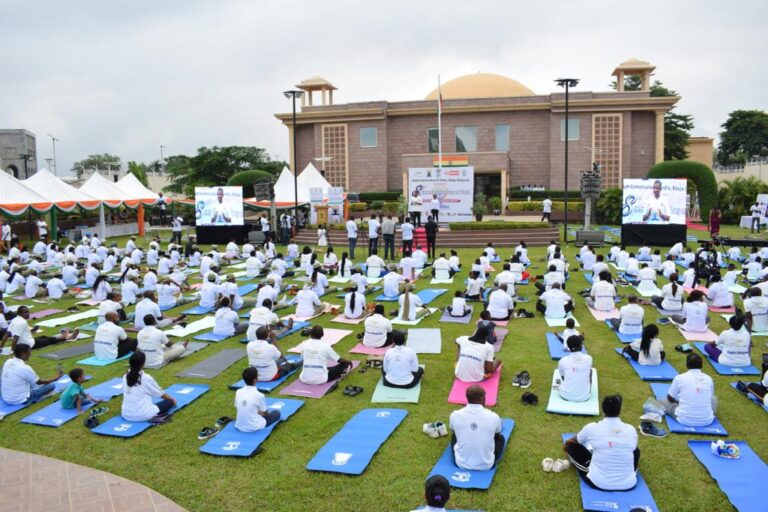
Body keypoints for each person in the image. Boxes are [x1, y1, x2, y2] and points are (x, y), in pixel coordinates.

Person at [563, 394, 639, 491]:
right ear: (619, 411)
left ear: (603, 410)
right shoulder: (630, 429)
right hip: (628, 483)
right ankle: (628, 472)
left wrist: (567, 444)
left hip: (598, 482)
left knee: (571, 446)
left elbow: (574, 440)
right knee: (636, 450)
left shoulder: (592, 427)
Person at [449, 385, 504, 471]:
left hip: (461, 464)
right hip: (486, 465)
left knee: (454, 436)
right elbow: (498, 432)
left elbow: (453, 429)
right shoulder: (493, 417)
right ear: (482, 399)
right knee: (500, 438)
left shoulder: (455, 415)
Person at [658, 353, 717, 427]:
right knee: (714, 398)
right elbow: (710, 397)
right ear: (701, 365)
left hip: (684, 419)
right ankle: (703, 413)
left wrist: (678, 402)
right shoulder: (708, 378)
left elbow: (669, 398)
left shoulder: (679, 378)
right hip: (707, 420)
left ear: (687, 365)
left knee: (661, 401)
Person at [121, 351, 176, 421]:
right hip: (144, 415)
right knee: (169, 402)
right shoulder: (146, 378)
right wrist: (172, 399)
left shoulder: (125, 376)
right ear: (143, 364)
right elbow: (160, 393)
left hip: (126, 414)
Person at [0, 306, 78, 351]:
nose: (28, 314)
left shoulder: (15, 319)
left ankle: (63, 336)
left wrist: (1, 347)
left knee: (44, 337)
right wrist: (13, 350)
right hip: (30, 345)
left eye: (28, 312)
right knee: (49, 341)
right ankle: (67, 338)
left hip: (27, 342)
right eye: (25, 312)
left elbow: (7, 334)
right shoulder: (21, 322)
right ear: (19, 313)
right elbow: (15, 338)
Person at [234, 366, 281, 432]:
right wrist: (258, 411)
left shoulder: (238, 392)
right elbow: (265, 414)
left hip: (240, 425)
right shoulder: (259, 395)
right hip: (254, 426)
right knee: (276, 413)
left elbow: (239, 406)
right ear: (255, 380)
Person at [557, 336, 593, 402]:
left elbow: (563, 377)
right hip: (584, 396)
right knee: (590, 371)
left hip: (565, 395)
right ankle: (588, 389)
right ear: (581, 346)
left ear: (568, 347)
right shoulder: (589, 358)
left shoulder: (562, 360)